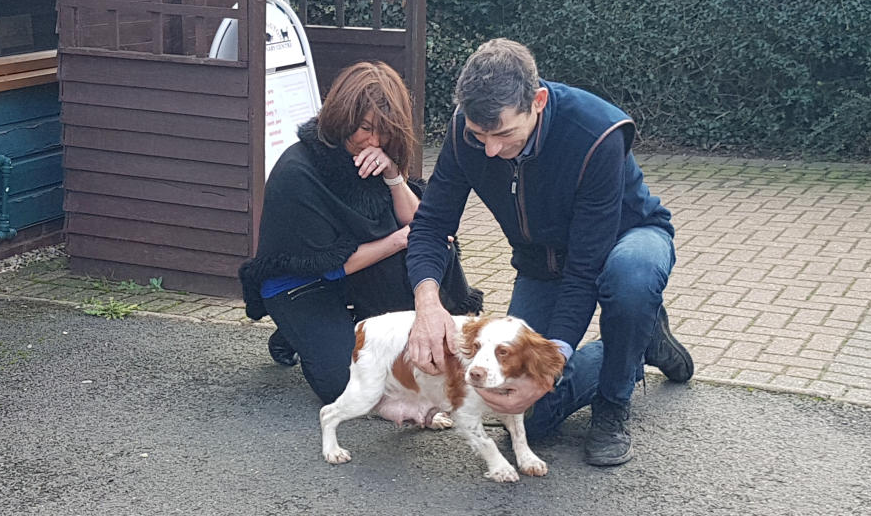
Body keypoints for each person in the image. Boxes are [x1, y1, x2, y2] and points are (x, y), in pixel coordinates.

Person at [405, 39, 694, 466]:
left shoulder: (597, 134)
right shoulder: (463, 132)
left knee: (629, 280)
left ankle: (613, 405)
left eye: (503, 134)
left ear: (537, 101)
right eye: (478, 134)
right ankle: (640, 339)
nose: (489, 149)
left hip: (626, 240)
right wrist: (426, 302)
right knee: (523, 413)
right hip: (541, 263)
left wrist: (552, 360)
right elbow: (431, 224)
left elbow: (584, 268)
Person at [238, 61, 482, 405]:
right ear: (342, 117)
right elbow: (328, 265)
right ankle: (297, 333)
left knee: (434, 249)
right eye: (365, 128)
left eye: (384, 130)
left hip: (355, 270)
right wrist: (399, 239)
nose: (374, 140)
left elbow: (423, 225)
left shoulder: (378, 155)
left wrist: (395, 176)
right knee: (344, 385)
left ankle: (335, 326)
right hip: (300, 283)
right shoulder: (299, 171)